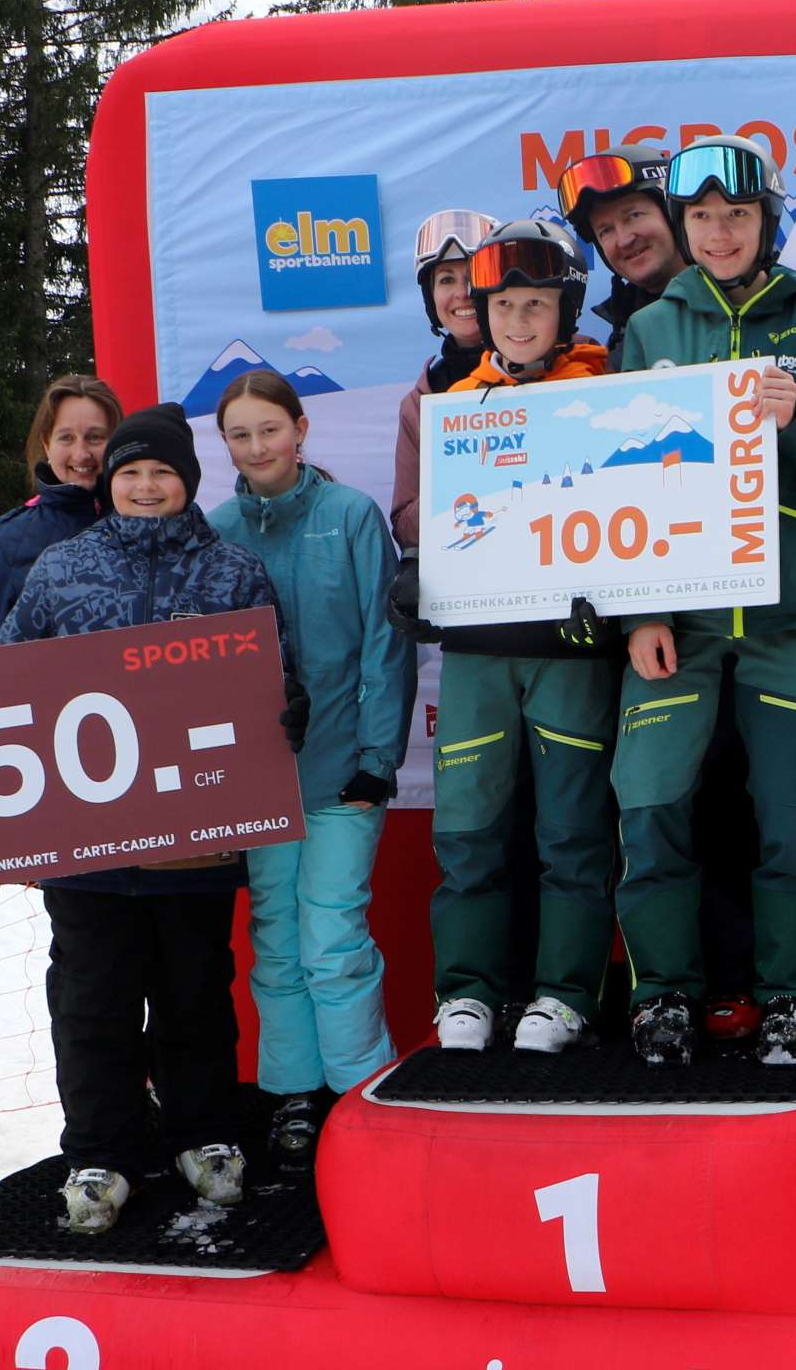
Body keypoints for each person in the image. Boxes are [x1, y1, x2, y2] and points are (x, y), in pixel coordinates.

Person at [558, 143, 796, 1036]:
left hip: (793, 618)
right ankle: (663, 996)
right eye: (703, 217)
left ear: (767, 223)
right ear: (684, 225)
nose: (720, 233)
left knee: (795, 820)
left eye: (738, 216)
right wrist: (638, 614)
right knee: (651, 806)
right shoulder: (648, 331)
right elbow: (614, 483)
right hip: (682, 618)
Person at [0, 400, 300, 1233]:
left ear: (188, 482)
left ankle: (205, 1138)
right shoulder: (61, 569)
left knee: (196, 995)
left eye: (161, 471)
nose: (143, 484)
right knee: (90, 1003)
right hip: (86, 844)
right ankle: (101, 1152)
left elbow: (277, 672)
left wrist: (288, 710)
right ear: (112, 481)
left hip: (193, 845)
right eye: (130, 471)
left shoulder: (233, 571)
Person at [416, 220, 622, 1058]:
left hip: (571, 648)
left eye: (537, 305)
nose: (519, 322)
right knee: (467, 831)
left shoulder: (608, 388)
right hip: (477, 652)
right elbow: (437, 523)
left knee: (572, 831)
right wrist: (417, 571)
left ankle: (565, 994)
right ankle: (466, 992)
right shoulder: (456, 406)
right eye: (505, 306)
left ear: (566, 309)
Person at [211, 369, 412, 1167]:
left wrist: (376, 759)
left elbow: (382, 643)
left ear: (301, 430)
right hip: (260, 782)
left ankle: (360, 1094)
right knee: (278, 942)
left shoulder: (351, 517)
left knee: (332, 936)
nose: (258, 446)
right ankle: (291, 1094)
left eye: (270, 429)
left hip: (340, 776)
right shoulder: (220, 529)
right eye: (240, 434)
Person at [0, 374, 125, 650]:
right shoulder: (7, 541)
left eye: (95, 437)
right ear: (47, 444)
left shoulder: (144, 525)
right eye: (66, 438)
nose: (81, 453)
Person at [387, 209, 498, 555]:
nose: (463, 293)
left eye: (475, 276)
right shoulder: (421, 401)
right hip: (472, 574)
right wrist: (456, 482)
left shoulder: (549, 365)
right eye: (446, 280)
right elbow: (405, 528)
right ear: (430, 298)